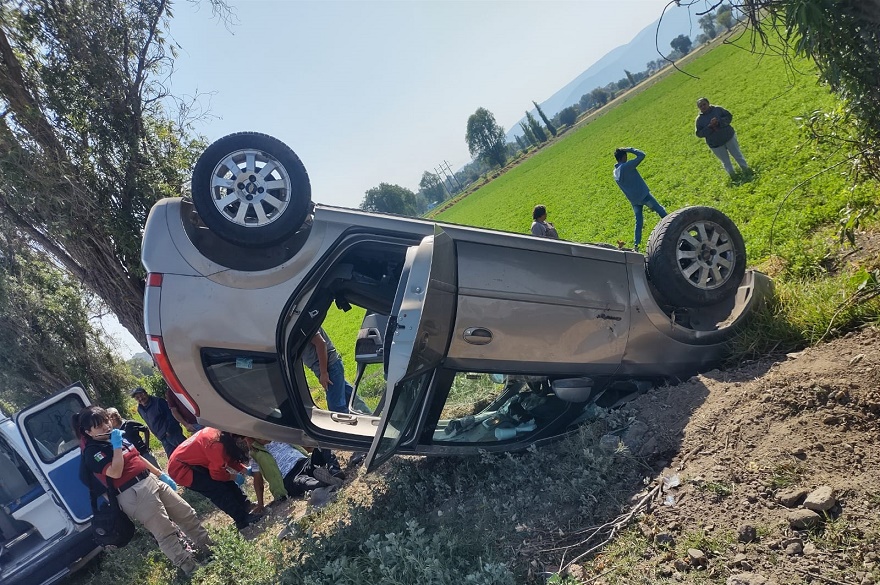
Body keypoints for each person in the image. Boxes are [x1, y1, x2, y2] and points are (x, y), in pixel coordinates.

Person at [74, 406, 211, 576]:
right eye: (98, 425)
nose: (106, 426)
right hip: (133, 492)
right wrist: (115, 446)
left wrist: (161, 475)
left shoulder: (116, 436)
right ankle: (189, 567)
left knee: (185, 513)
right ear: (88, 432)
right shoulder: (93, 452)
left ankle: (208, 547)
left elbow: (137, 456)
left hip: (150, 480)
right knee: (165, 531)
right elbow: (115, 472)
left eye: (105, 421)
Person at [167, 427, 263, 531]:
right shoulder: (215, 444)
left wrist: (243, 470)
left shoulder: (221, 434)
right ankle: (242, 519)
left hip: (191, 461)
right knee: (218, 490)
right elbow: (216, 474)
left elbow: (226, 456)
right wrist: (233, 476)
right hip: (181, 469)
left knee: (226, 482)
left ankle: (244, 504)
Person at [301, 329, 370, 469]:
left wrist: (324, 373)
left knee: (338, 410)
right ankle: (374, 422)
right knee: (350, 399)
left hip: (329, 367)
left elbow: (321, 343)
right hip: (330, 366)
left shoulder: (301, 322)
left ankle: (362, 445)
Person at [246, 438, 342, 512]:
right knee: (302, 482)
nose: (261, 437)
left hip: (304, 462)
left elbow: (306, 447)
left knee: (321, 445)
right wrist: (260, 504)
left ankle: (336, 472)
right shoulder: (255, 454)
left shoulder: (279, 434)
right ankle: (323, 484)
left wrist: (316, 453)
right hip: (289, 477)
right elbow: (257, 480)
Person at [613, 147, 668, 252]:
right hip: (644, 196)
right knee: (660, 210)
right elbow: (642, 155)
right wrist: (629, 149)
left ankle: (636, 245)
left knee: (639, 222)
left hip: (634, 201)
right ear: (623, 157)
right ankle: (673, 225)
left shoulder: (615, 172)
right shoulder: (627, 166)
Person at [695, 97, 749, 178]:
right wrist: (709, 127)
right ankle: (733, 176)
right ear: (699, 108)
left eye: (704, 104)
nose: (703, 107)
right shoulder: (699, 120)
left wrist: (719, 122)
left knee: (737, 155)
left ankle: (747, 170)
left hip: (729, 137)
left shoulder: (718, 109)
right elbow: (699, 133)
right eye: (700, 106)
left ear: (708, 103)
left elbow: (729, 116)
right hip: (715, 144)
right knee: (725, 162)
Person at [131, 387, 186, 457]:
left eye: (141, 395)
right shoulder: (140, 409)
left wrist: (169, 431)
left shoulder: (159, 402)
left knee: (187, 450)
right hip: (162, 437)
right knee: (174, 458)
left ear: (145, 393)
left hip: (173, 434)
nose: (140, 398)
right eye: (137, 397)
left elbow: (171, 417)